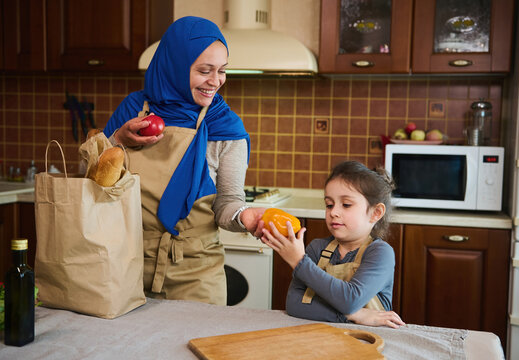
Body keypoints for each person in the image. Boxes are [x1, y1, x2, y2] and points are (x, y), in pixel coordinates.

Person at [103, 16, 265, 305]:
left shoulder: (226, 128)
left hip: (196, 274)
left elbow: (227, 203)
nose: (215, 82)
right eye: (205, 70)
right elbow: (89, 178)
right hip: (125, 267)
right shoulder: (133, 112)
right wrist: (118, 140)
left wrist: (245, 217)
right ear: (175, 66)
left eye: (222, 71)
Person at [261, 160, 405, 328]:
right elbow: (294, 304)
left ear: (376, 213)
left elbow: (350, 300)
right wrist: (356, 316)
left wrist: (299, 262)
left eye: (346, 205)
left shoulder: (380, 253)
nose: (333, 212)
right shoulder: (317, 248)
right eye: (329, 205)